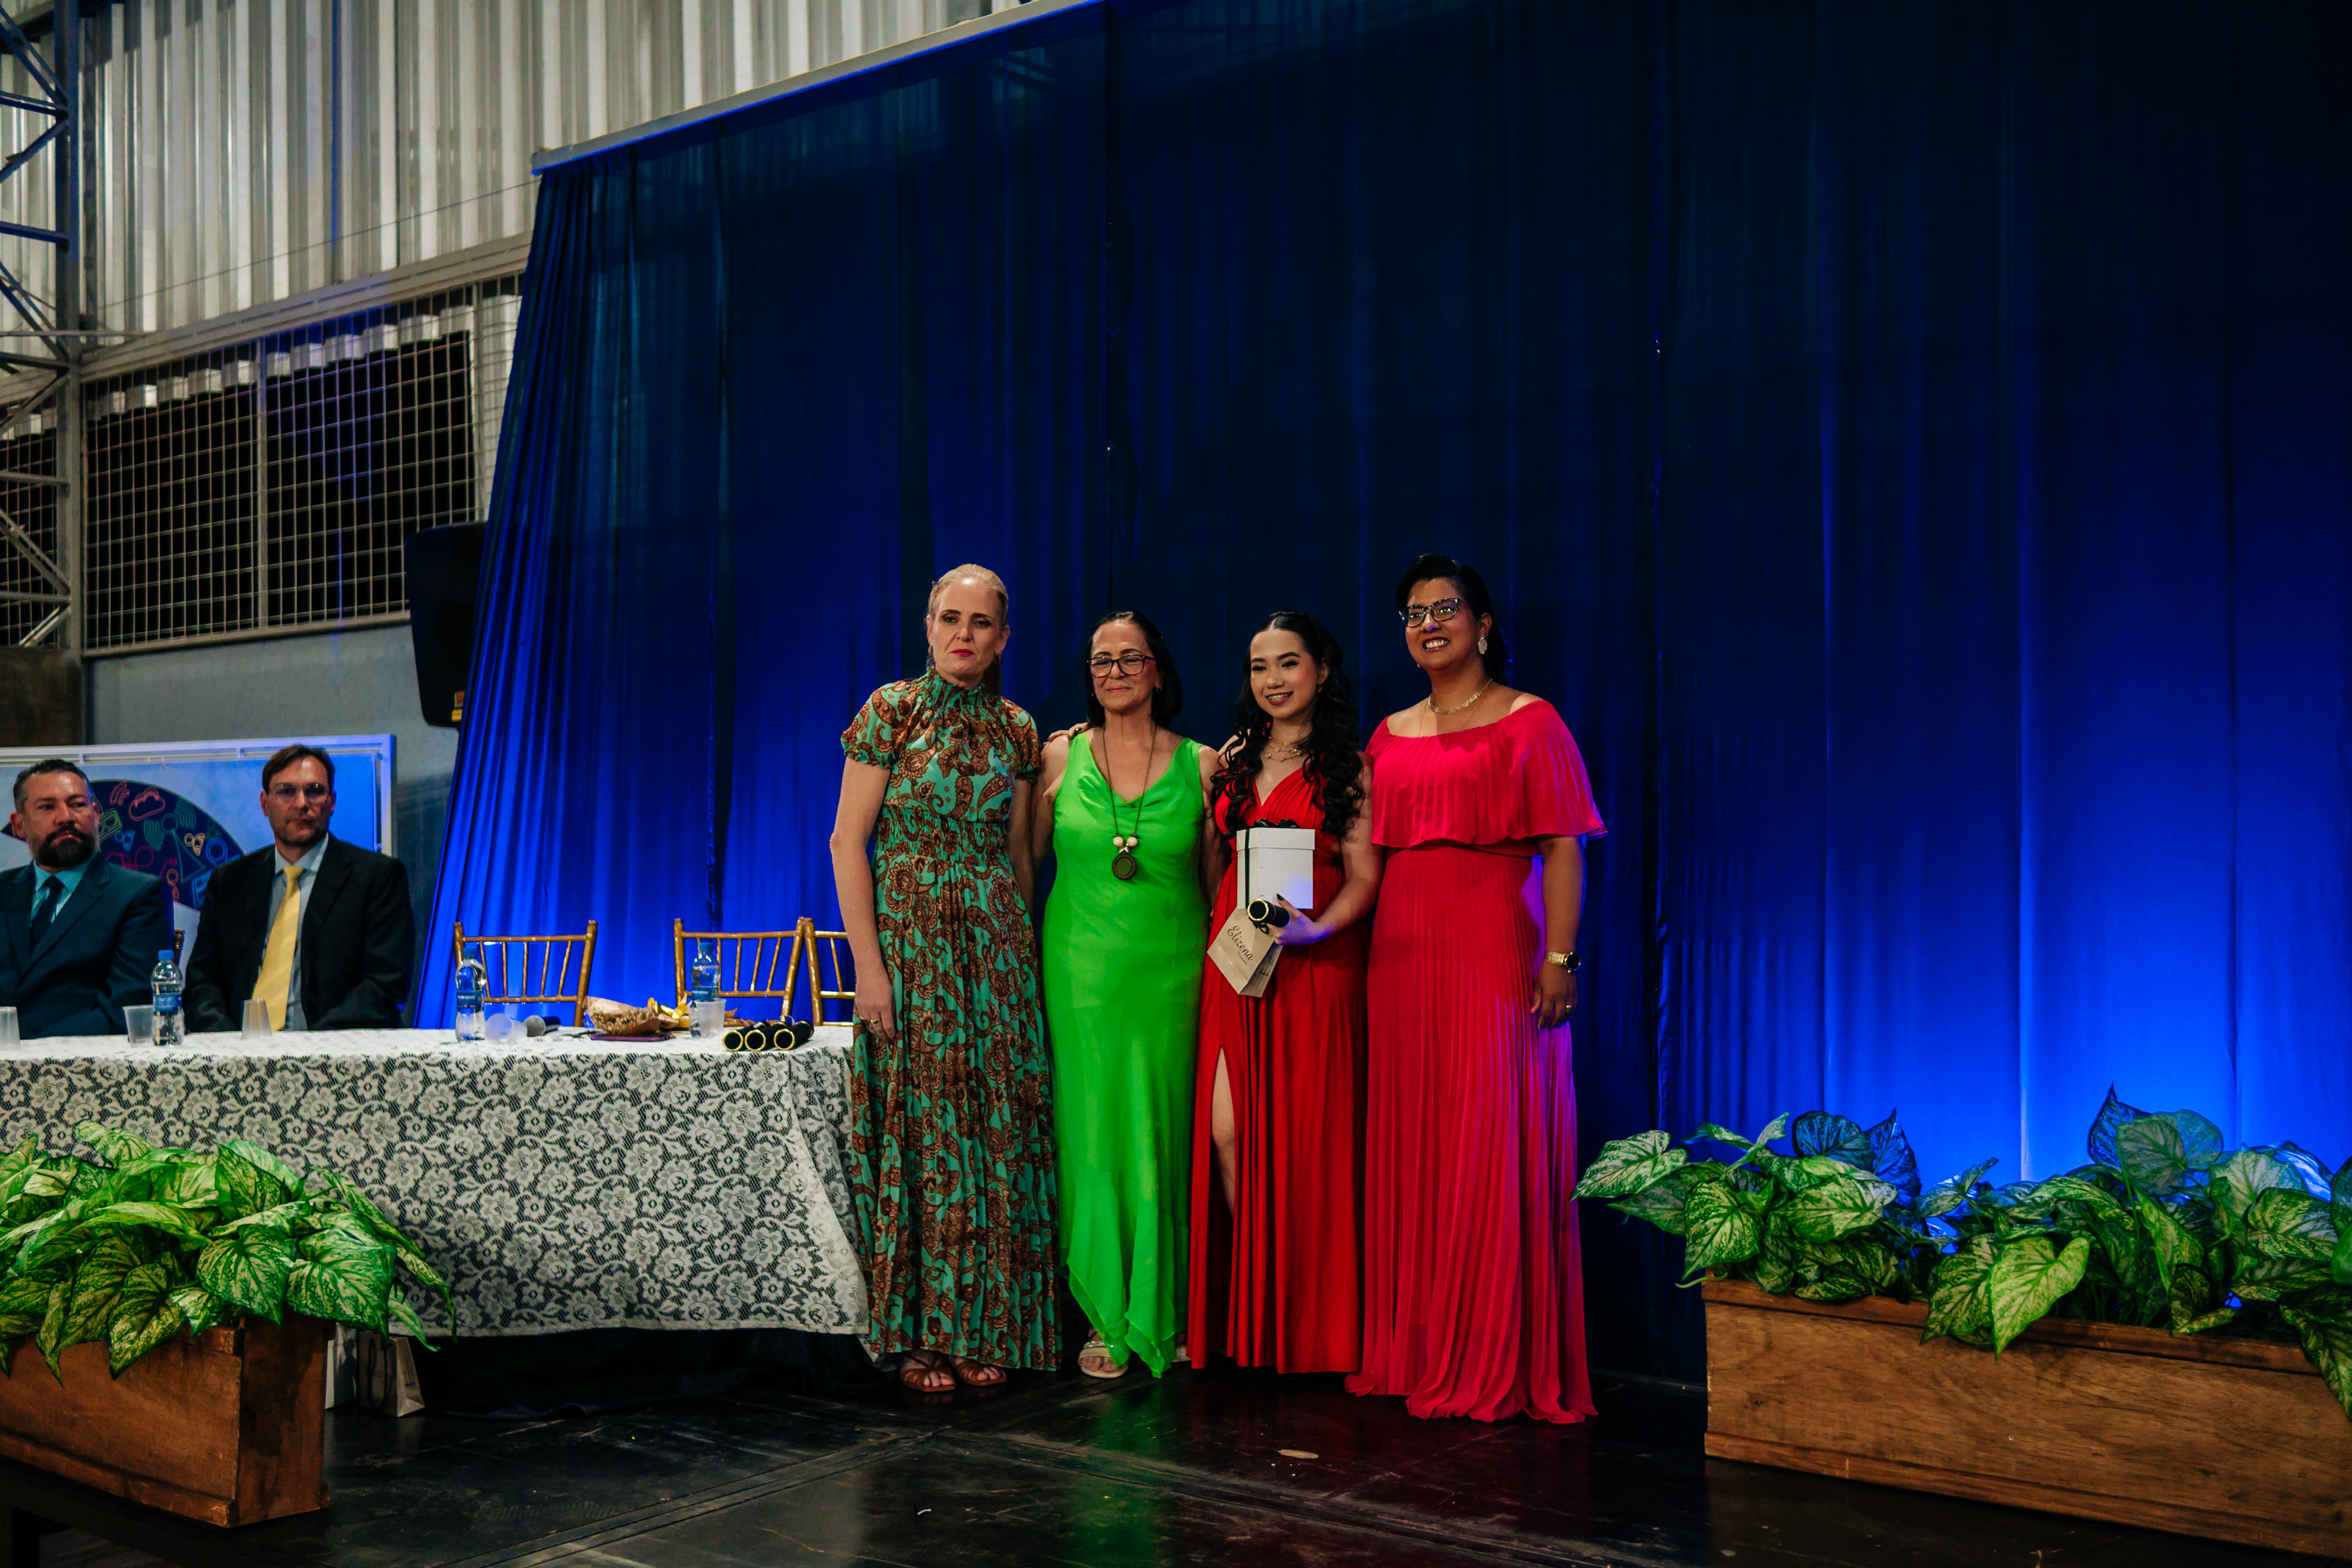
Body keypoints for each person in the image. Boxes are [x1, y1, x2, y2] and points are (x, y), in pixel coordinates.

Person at [1347, 554, 1605, 1424]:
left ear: (1484, 624)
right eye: (1414, 612)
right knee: (1416, 1142)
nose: (1429, 623)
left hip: (1494, 943)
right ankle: (1416, 1348)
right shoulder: (1387, 734)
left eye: (1447, 607)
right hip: (1400, 956)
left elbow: (1564, 846)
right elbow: (1365, 857)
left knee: (1486, 1140)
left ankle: (1491, 1352)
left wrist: (1561, 958)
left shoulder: (1532, 721)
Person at [830, 564, 1058, 1394]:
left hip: (993, 955)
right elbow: (846, 842)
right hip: (912, 953)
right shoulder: (891, 709)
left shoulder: (1018, 728)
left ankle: (983, 1324)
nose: (965, 634)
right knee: (926, 1137)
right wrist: (870, 970)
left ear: (1003, 637)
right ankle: (921, 1331)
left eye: (981, 622)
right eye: (951, 618)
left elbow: (1019, 856)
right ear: (928, 626)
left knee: (992, 1138)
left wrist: (1017, 960)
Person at [1188, 612, 1381, 1374]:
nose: (1272, 679)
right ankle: (1261, 1303)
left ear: (1322, 670)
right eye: (1259, 665)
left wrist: (1319, 928)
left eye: (1288, 662)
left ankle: (1308, 1319)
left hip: (1316, 962)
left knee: (1309, 1146)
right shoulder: (1233, 759)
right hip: (1239, 964)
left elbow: (1365, 876)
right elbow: (1213, 864)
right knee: (1228, 1131)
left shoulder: (1350, 767)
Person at [1034, 612, 1218, 1380]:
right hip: (1079, 974)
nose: (1114, 671)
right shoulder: (1056, 754)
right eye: (1101, 660)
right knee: (1094, 1132)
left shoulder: (1205, 764)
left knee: (1164, 1134)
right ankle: (1105, 1314)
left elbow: (1217, 886)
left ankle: (1166, 1306)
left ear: (1158, 670)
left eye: (1130, 658)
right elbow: (1024, 862)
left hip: (1172, 973)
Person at [185, 744, 415, 1033]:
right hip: (239, 1050)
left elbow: (385, 986)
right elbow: (202, 982)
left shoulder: (377, 877)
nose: (301, 803)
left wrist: (310, 1048)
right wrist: (228, 1043)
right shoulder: (229, 881)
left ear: (332, 802)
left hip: (338, 1050)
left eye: (314, 790)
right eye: (286, 791)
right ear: (264, 803)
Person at [0, 760, 173, 1039]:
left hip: (82, 1058)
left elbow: (125, 1009)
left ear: (95, 814)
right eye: (47, 807)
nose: (66, 817)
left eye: (77, 804)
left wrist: (26, 1049)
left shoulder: (137, 894)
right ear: (19, 824)